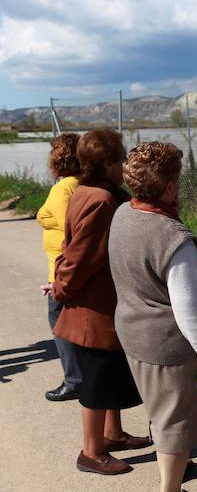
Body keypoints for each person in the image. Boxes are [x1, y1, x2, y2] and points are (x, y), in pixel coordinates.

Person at [109, 142, 197, 492]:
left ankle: (172, 464)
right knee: (175, 419)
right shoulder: (173, 239)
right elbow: (191, 311)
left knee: (160, 408)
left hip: (132, 331)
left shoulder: (123, 214)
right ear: (170, 187)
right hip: (167, 344)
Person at [51, 129, 151, 475]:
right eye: (120, 158)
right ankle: (91, 452)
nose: (124, 164)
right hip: (94, 308)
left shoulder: (91, 191)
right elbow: (81, 256)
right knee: (96, 379)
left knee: (109, 374)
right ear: (106, 163)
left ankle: (113, 434)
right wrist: (61, 287)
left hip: (103, 304)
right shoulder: (101, 200)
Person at [37, 133, 83, 401]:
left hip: (63, 272)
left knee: (60, 324)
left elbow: (72, 233)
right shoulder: (82, 184)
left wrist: (61, 278)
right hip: (70, 269)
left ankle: (74, 379)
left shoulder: (63, 188)